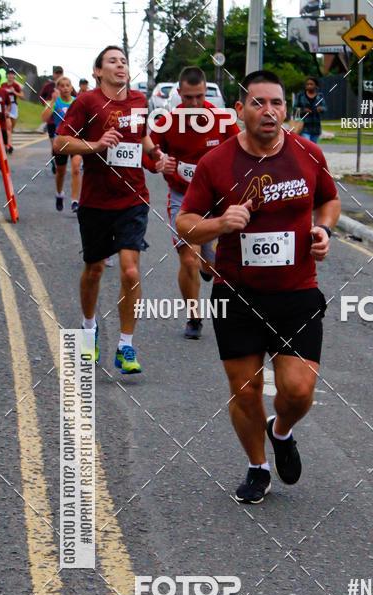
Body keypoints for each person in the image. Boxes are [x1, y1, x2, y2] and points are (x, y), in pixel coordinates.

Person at [176, 70, 340, 504]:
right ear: (240, 111)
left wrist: (323, 230)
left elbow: (329, 199)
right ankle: (257, 466)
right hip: (238, 294)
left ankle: (280, 430)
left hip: (296, 292)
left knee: (298, 390)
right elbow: (185, 223)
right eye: (258, 103)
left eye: (277, 104)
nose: (269, 111)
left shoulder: (309, 154)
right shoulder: (217, 163)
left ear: (286, 109)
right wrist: (220, 222)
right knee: (245, 390)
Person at [53, 45, 165, 374]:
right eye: (112, 61)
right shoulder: (87, 102)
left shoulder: (139, 101)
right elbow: (60, 143)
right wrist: (96, 145)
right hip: (96, 201)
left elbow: (141, 138)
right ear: (98, 72)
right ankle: (89, 330)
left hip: (133, 198)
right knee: (95, 270)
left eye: (124, 61)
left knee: (130, 270)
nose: (120, 65)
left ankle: (126, 345)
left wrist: (156, 157)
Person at [145, 65, 240, 340]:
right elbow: (147, 150)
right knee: (188, 258)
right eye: (189, 98)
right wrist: (158, 163)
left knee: (209, 265)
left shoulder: (220, 118)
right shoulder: (167, 121)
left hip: (216, 198)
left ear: (205, 91)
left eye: (199, 96)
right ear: (179, 94)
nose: (195, 104)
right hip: (183, 198)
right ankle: (194, 317)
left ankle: (208, 267)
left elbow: (242, 147)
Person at [42, 75, 81, 212]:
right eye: (62, 85)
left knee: (76, 168)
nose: (65, 88)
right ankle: (59, 194)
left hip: (76, 140)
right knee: (61, 172)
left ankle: (75, 201)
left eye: (67, 85)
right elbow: (44, 117)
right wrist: (52, 100)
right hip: (61, 141)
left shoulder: (77, 101)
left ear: (71, 88)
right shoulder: (55, 102)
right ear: (57, 88)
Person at [40, 66, 65, 173]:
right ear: (53, 74)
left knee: (63, 143)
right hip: (51, 120)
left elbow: (74, 98)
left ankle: (62, 162)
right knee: (53, 144)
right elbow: (41, 97)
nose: (58, 75)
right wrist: (48, 103)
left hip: (63, 120)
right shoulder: (48, 86)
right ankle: (55, 162)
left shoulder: (66, 85)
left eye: (60, 73)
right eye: (56, 73)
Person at [294, 76, 326, 143]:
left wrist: (321, 109)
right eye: (307, 84)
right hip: (304, 126)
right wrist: (303, 110)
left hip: (316, 126)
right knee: (307, 144)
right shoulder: (301, 96)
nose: (309, 86)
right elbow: (295, 108)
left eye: (311, 84)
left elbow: (325, 108)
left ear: (316, 86)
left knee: (313, 147)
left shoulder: (320, 96)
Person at [3, 68, 23, 152]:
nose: (10, 75)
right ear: (7, 75)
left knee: (11, 128)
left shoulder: (16, 85)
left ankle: (8, 142)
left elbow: (22, 96)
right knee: (8, 126)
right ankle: (8, 145)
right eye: (9, 74)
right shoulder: (3, 85)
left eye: (12, 74)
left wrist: (14, 92)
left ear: (14, 76)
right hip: (6, 106)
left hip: (14, 107)